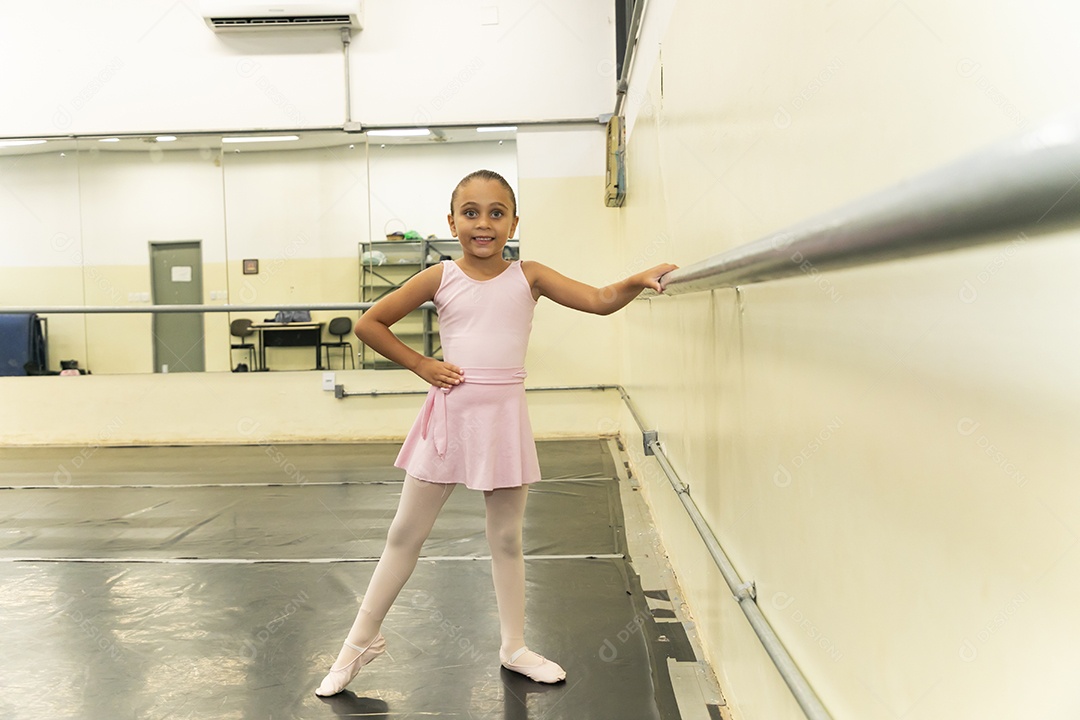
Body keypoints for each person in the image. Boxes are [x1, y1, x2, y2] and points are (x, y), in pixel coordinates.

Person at [315, 169, 677, 697]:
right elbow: (371, 323)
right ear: (452, 221)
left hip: (503, 418)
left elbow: (598, 299)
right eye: (471, 213)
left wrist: (633, 281)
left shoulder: (528, 275)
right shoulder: (439, 277)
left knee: (506, 538)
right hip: (450, 414)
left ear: (512, 221)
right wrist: (421, 364)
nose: (483, 224)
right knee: (403, 534)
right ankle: (357, 644)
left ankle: (513, 646)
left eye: (495, 213)